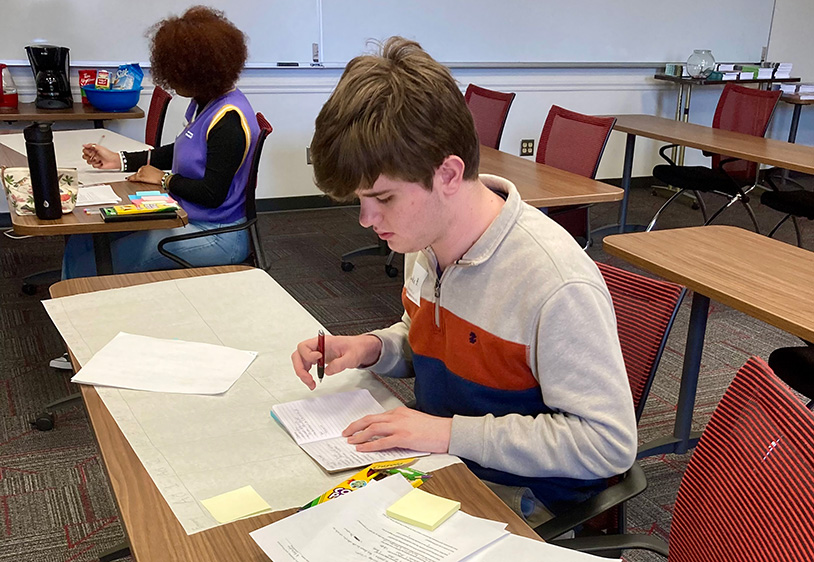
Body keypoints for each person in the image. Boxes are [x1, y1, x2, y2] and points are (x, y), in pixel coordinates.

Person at [290, 37, 637, 524]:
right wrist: (372, 347)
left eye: (383, 199)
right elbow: (435, 339)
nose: (366, 220)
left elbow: (607, 445)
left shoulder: (553, 282)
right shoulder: (425, 238)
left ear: (449, 174)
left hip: (525, 497)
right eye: (359, 200)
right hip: (439, 461)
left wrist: (448, 434)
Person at [63, 6, 260, 279]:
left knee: (93, 265)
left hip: (216, 235)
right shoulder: (205, 103)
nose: (173, 84)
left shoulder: (230, 121)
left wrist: (164, 180)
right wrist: (119, 159)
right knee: (83, 241)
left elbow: (212, 195)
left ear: (200, 71)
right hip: (181, 215)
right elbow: (180, 151)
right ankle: (74, 308)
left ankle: (80, 310)